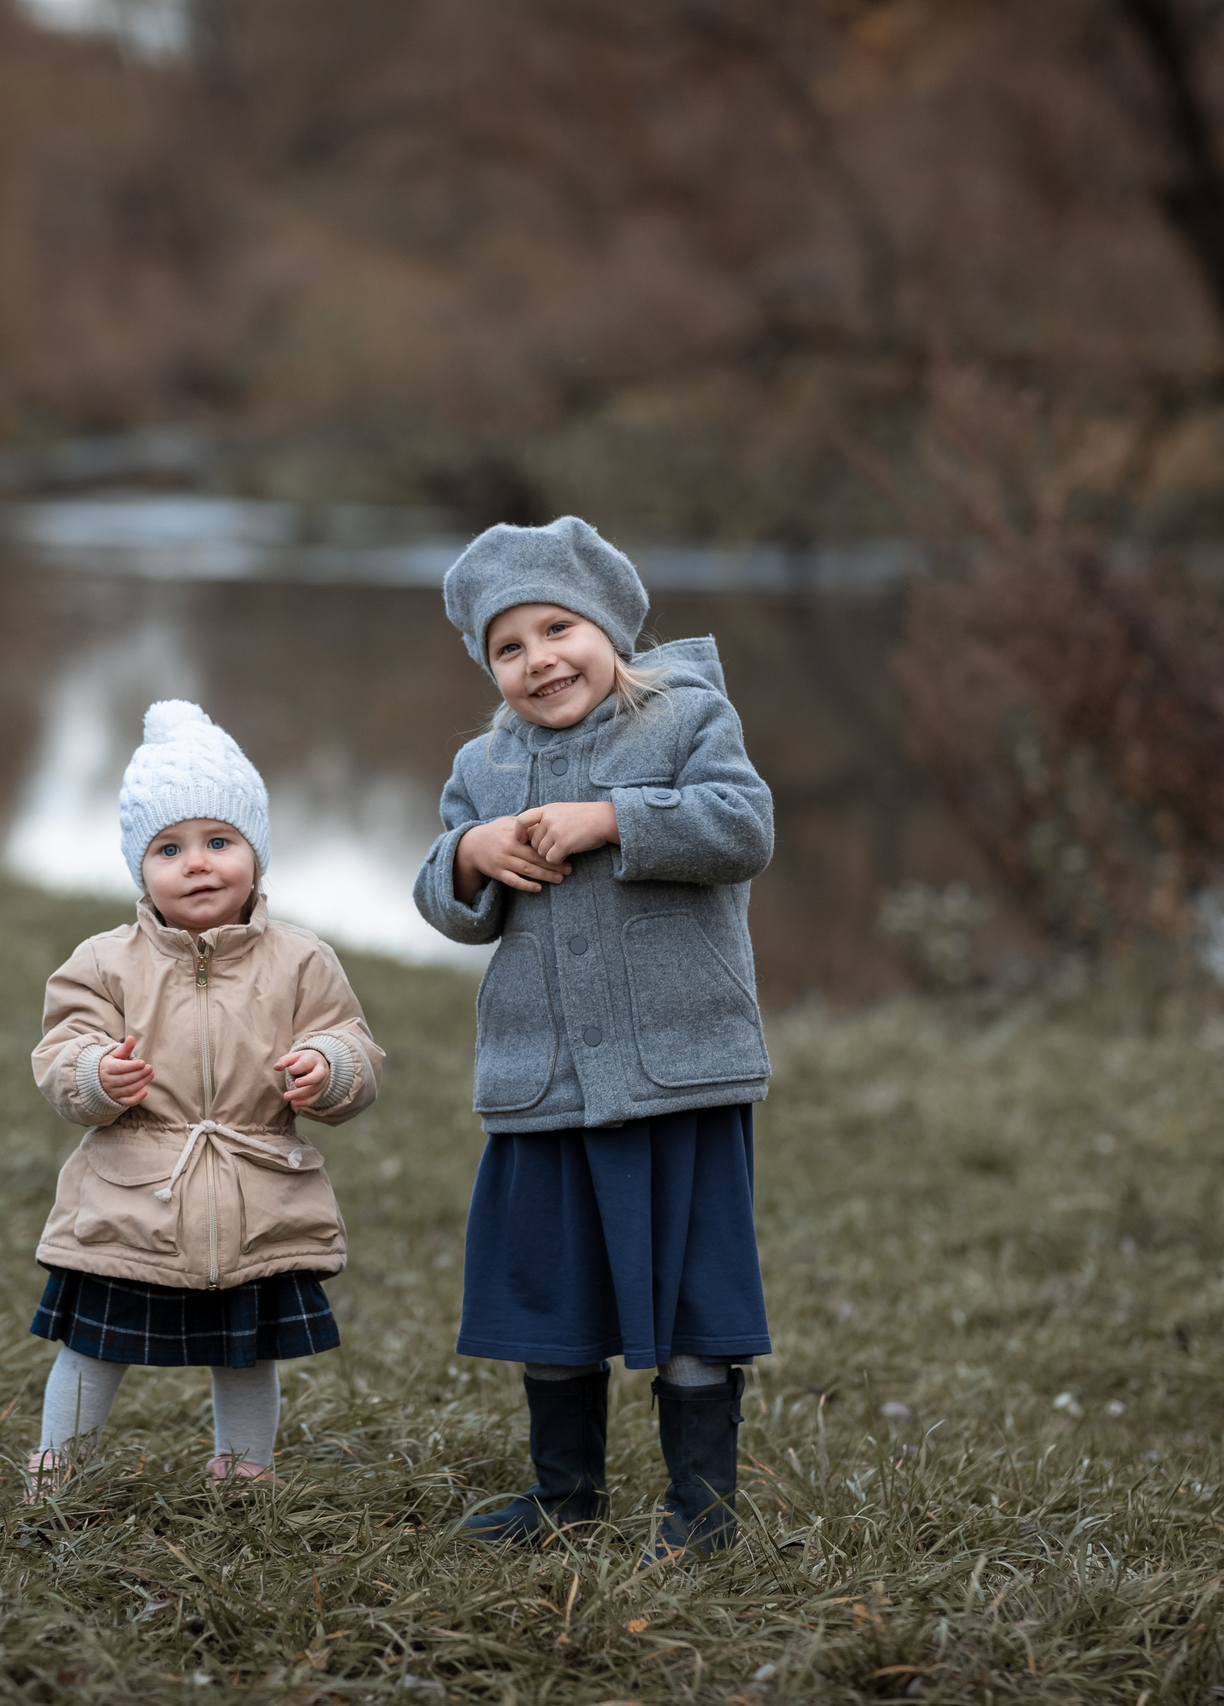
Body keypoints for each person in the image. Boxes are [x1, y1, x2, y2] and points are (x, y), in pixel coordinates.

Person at [414, 515, 775, 1562]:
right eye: (508, 646)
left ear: (609, 625)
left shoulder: (688, 717)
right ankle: (563, 1493)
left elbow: (742, 826)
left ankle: (701, 1513)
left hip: (679, 1072)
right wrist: (469, 852)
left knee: (694, 1290)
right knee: (548, 1291)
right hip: (546, 1079)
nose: (539, 659)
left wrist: (611, 817)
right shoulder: (480, 764)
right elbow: (449, 905)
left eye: (557, 626)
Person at [25, 700, 383, 1489]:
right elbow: (61, 1049)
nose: (197, 863)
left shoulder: (301, 960)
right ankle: (58, 1469)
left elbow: (352, 1041)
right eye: (169, 847)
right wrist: (94, 1076)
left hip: (257, 1196)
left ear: (256, 853)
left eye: (220, 842)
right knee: (93, 1346)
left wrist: (331, 1066)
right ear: (138, 867)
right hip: (133, 1198)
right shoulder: (105, 961)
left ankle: (245, 1470)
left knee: (245, 1350)